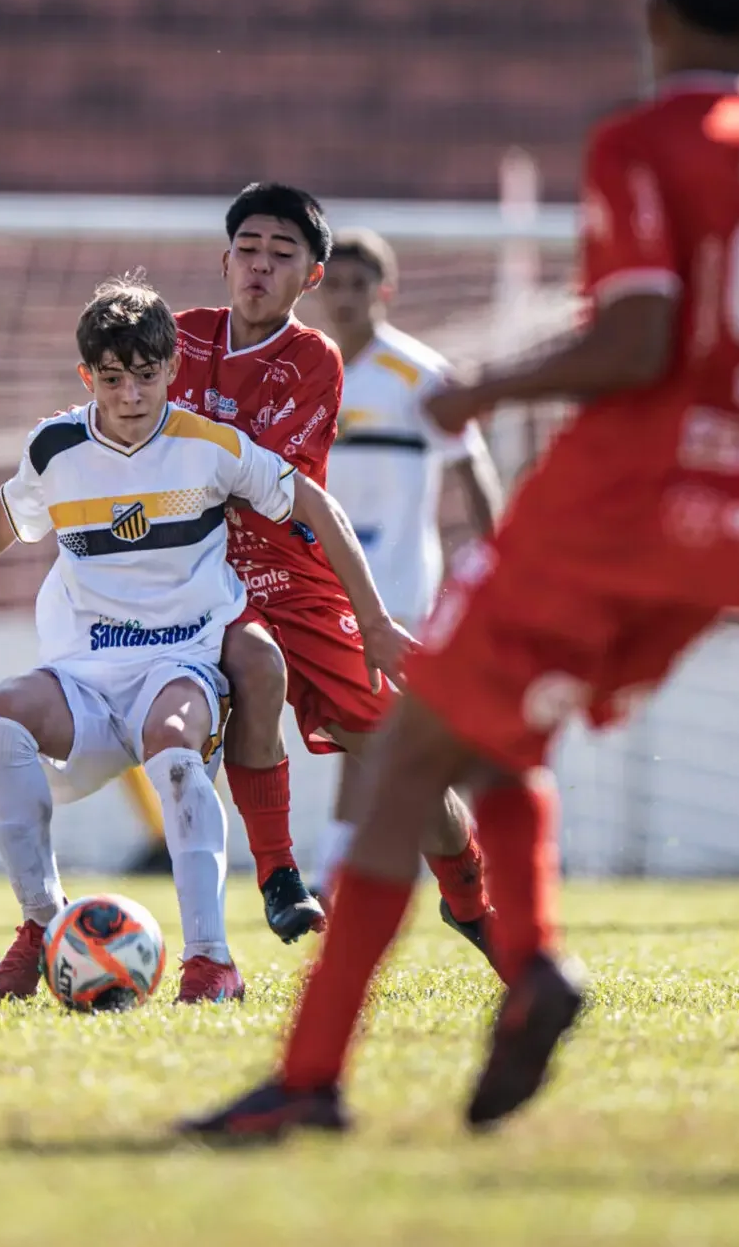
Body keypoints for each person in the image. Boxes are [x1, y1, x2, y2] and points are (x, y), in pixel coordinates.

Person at [183, 0, 739, 1137]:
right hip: (724, 531)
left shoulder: (640, 140)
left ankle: (313, 1076)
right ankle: (532, 960)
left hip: (605, 511)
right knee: (492, 744)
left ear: (653, 18)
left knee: (400, 765)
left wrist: (486, 387)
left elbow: (639, 339)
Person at [0, 274, 401, 1004]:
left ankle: (212, 961)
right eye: (112, 379)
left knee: (177, 751)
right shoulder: (56, 447)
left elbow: (313, 503)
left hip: (181, 664)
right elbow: (11, 506)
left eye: (146, 375)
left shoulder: (209, 445)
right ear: (87, 377)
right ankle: (41, 924)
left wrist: (372, 619)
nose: (131, 395)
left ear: (172, 369)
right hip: (84, 677)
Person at [170, 184, 497, 957]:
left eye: (281, 254)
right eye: (247, 249)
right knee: (229, 690)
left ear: (309, 277)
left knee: (400, 761)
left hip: (298, 583)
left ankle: (471, 899)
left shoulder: (315, 360)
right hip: (190, 583)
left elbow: (255, 479)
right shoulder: (174, 338)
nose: (260, 266)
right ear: (224, 260)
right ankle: (273, 884)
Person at [303, 227, 506, 901]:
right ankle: (400, 862)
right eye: (335, 284)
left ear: (383, 292)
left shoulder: (418, 373)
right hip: (321, 574)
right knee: (363, 725)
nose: (346, 298)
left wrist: (501, 562)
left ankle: (341, 871)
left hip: (397, 578)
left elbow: (472, 467)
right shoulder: (306, 371)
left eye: (360, 285)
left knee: (371, 718)